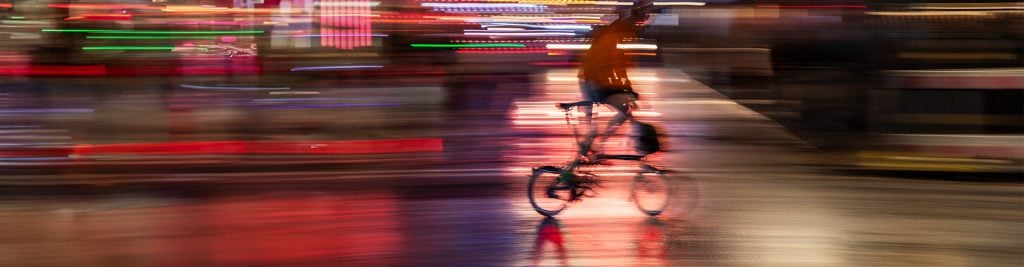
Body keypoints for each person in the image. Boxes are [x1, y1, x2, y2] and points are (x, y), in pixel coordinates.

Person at [555, 0, 658, 186]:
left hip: (596, 80)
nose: (642, 25)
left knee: (618, 113)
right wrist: (625, 88)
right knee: (619, 113)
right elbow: (614, 64)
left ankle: (593, 151)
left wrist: (627, 87)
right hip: (592, 81)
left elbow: (620, 65)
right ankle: (582, 161)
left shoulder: (622, 32)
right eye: (643, 19)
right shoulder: (619, 32)